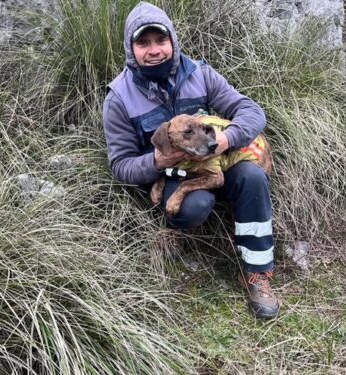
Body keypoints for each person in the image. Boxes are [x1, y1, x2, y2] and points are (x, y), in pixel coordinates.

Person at [102, 1, 280, 320]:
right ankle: (189, 237)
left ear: (173, 40)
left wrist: (225, 139)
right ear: (131, 49)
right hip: (174, 174)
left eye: (161, 40)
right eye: (143, 43)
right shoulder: (119, 98)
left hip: (218, 161)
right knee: (192, 206)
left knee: (252, 178)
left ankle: (257, 272)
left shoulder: (200, 74)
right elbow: (121, 166)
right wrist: (156, 162)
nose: (154, 50)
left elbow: (252, 112)